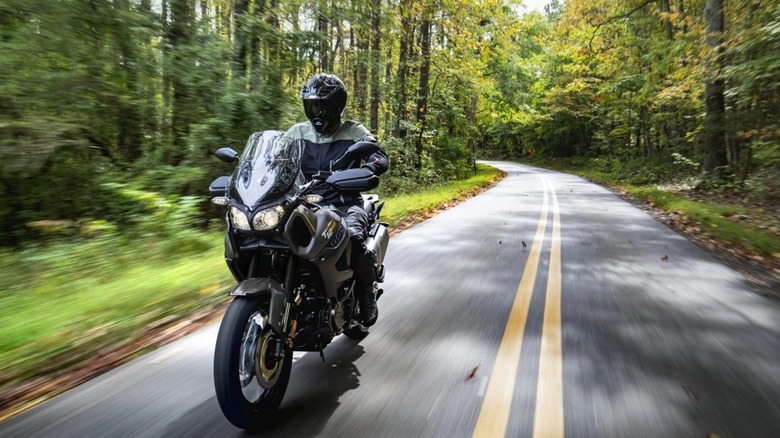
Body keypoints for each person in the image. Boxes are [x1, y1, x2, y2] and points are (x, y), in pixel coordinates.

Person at [284, 73, 389, 327]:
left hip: (345, 203)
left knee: (353, 237)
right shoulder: (296, 133)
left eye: (322, 105)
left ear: (336, 107)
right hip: (303, 204)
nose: (316, 111)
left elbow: (378, 157)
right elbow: (274, 161)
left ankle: (366, 295)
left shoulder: (354, 131)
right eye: (312, 105)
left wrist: (369, 169)